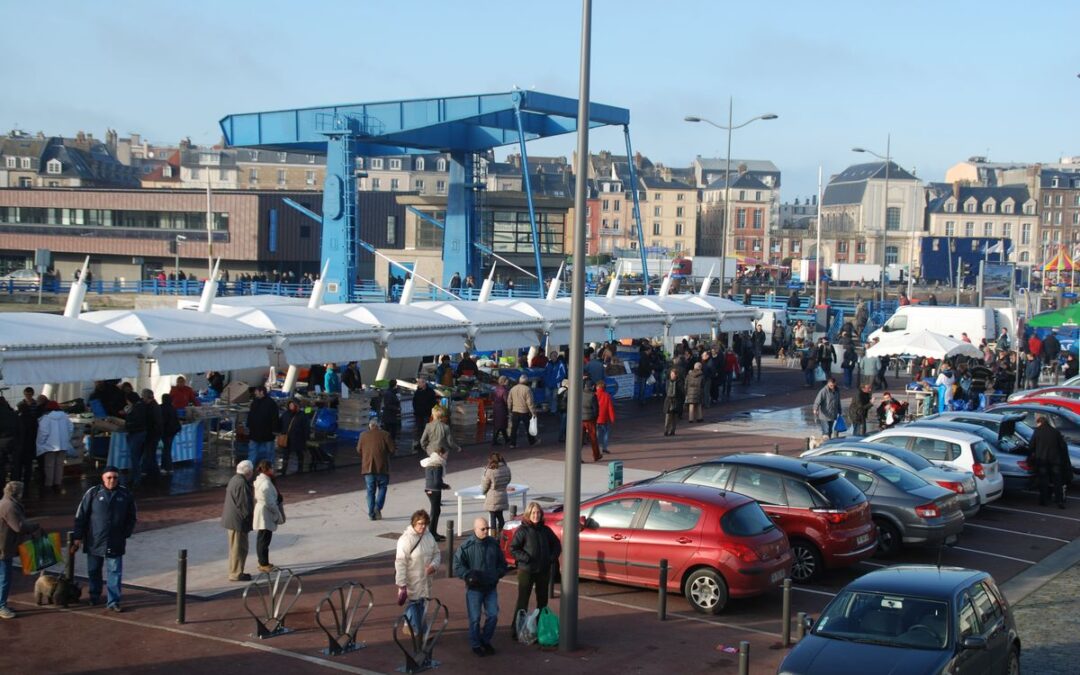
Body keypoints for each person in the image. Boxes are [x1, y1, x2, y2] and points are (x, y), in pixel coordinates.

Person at [72, 467, 137, 611]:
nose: (112, 480)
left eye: (115, 477)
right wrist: (78, 537)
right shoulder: (93, 493)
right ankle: (94, 596)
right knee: (94, 570)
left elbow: (132, 517)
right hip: (95, 540)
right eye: (109, 477)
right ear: (103, 478)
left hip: (115, 541)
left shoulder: (125, 494)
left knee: (114, 571)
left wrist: (125, 533)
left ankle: (113, 601)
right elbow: (81, 516)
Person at [454, 516, 509, 657]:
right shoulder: (466, 546)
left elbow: (502, 564)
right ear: (475, 529)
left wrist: (497, 574)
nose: (486, 531)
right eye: (483, 529)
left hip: (490, 587)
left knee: (493, 615)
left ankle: (485, 640)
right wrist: (467, 575)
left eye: (487, 528)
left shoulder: (493, 544)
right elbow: (457, 565)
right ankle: (475, 644)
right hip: (474, 589)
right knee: (475, 618)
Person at [509, 501, 561, 640]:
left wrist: (551, 557)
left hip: (543, 570)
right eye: (533, 513)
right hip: (526, 570)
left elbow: (556, 545)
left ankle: (540, 626)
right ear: (528, 514)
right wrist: (525, 558)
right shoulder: (523, 530)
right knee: (523, 601)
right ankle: (516, 628)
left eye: (538, 513)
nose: (536, 515)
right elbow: (513, 548)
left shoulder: (545, 530)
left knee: (542, 601)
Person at [0, 480, 42, 619]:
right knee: (4, 578)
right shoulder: (9, 507)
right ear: (17, 493)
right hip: (3, 548)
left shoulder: (5, 503)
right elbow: (18, 526)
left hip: (4, 547)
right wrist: (35, 527)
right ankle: (1, 606)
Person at [395, 509, 441, 634]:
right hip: (412, 580)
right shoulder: (405, 540)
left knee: (419, 603)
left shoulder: (429, 536)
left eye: (425, 523)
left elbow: (437, 553)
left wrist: (434, 566)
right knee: (416, 604)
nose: (423, 526)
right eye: (420, 523)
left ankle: (407, 624)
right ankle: (421, 632)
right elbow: (400, 562)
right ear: (414, 523)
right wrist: (401, 583)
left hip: (426, 579)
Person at [221, 460, 255, 582]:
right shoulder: (242, 483)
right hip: (237, 521)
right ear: (249, 471)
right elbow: (244, 505)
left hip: (233, 519)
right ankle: (236, 573)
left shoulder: (235, 480)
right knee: (239, 548)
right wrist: (250, 518)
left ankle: (236, 571)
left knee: (237, 548)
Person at [358, 420, 395, 521]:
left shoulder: (363, 435)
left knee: (370, 491)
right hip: (382, 467)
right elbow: (392, 449)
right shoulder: (385, 434)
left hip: (368, 468)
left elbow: (358, 450)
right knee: (382, 487)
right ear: (378, 426)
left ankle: (371, 513)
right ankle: (377, 508)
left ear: (369, 426)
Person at [1031, 415, 1070, 508]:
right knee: (1057, 482)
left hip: (1042, 460)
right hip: (1055, 460)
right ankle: (1059, 501)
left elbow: (1032, 446)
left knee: (1044, 481)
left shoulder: (1037, 432)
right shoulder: (1055, 432)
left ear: (1039, 422)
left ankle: (1043, 500)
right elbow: (1062, 446)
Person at [253, 460, 284, 573]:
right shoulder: (266, 484)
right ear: (268, 469)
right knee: (264, 539)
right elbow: (270, 502)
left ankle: (263, 561)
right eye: (272, 468)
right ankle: (263, 563)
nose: (273, 470)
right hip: (265, 514)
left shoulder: (261, 481)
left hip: (262, 512)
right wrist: (277, 513)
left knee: (263, 538)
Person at [36, 400, 73, 492]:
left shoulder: (46, 418)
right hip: (63, 445)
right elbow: (70, 429)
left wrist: (40, 444)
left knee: (49, 466)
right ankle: (58, 483)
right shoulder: (65, 417)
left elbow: (43, 433)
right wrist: (66, 439)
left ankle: (48, 484)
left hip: (49, 446)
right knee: (59, 465)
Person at [246, 386, 280, 466]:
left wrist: (274, 430)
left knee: (257, 452)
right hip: (262, 433)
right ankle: (266, 468)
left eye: (256, 391)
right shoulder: (266, 402)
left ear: (262, 392)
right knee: (265, 453)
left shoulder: (265, 403)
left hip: (263, 433)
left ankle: (253, 468)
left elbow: (274, 418)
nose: (255, 393)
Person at [481, 453, 511, 533]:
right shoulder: (506, 468)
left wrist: (483, 492)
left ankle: (493, 536)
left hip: (493, 497)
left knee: (493, 516)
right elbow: (508, 480)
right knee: (500, 516)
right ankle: (502, 535)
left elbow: (485, 485)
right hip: (503, 495)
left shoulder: (490, 471)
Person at [278, 400, 310, 474]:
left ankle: (300, 468)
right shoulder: (286, 414)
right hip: (288, 438)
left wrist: (306, 438)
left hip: (298, 438)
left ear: (296, 405)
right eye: (290, 405)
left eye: (292, 405)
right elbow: (280, 423)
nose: (291, 406)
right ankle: (284, 468)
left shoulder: (302, 415)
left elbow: (306, 427)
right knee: (286, 454)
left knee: (299, 453)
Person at [507, 374, 538, 448]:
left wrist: (509, 409)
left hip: (515, 410)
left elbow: (509, 401)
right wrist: (533, 412)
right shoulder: (527, 389)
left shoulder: (513, 389)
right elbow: (530, 402)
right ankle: (532, 441)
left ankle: (512, 444)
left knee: (514, 428)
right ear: (526, 381)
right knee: (528, 427)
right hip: (524, 411)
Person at [412, 377, 438, 453]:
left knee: (426, 429)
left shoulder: (430, 391)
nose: (418, 384)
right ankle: (421, 443)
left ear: (424, 383)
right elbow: (414, 402)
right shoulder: (417, 391)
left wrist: (429, 410)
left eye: (420, 383)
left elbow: (433, 402)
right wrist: (416, 410)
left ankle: (427, 442)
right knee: (419, 429)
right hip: (418, 414)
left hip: (426, 413)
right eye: (418, 383)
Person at [0, 399, 22, 487]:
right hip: (13, 443)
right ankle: (14, 487)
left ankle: (1, 487)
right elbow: (20, 430)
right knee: (14, 466)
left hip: (1, 444)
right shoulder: (14, 414)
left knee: (1, 467)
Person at [159, 393, 181, 475]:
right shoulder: (173, 408)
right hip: (172, 432)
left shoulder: (161, 408)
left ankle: (166, 467)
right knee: (167, 449)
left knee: (165, 450)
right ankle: (168, 467)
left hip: (164, 432)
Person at [580, 382, 601, 462]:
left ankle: (578, 456)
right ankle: (596, 455)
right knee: (593, 438)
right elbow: (596, 409)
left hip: (581, 419)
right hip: (590, 419)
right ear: (592, 387)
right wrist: (595, 418)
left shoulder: (580, 394)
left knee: (580, 438)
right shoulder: (592, 396)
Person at [595, 380, 616, 455]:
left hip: (596, 418)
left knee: (596, 434)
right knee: (605, 433)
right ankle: (604, 448)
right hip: (604, 418)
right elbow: (610, 408)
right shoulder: (607, 395)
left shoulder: (594, 395)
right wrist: (612, 418)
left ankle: (596, 448)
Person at [663, 368, 682, 437]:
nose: (672, 375)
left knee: (674, 417)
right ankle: (666, 431)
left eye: (673, 374)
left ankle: (672, 430)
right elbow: (666, 390)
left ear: (676, 375)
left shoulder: (679, 382)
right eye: (671, 374)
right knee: (668, 417)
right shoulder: (668, 381)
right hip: (669, 401)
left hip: (676, 401)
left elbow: (681, 391)